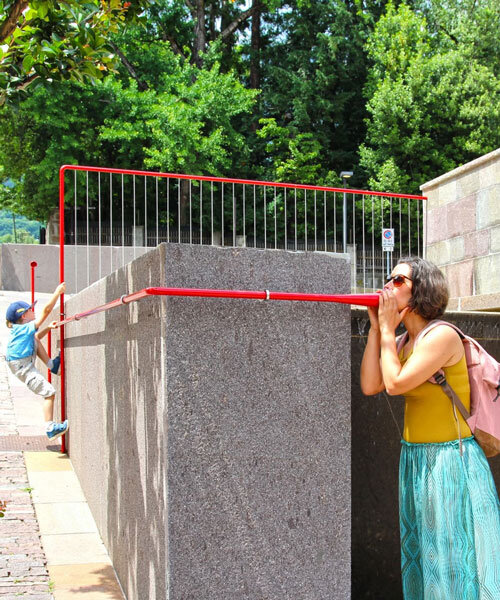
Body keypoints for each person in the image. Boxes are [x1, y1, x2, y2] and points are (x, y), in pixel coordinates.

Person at [360, 256, 500, 599]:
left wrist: (389, 330)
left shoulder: (442, 337)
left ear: (420, 290)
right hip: (417, 461)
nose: (388, 285)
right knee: (427, 558)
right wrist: (379, 330)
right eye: (389, 278)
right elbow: (370, 384)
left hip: (451, 463)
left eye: (398, 281)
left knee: (456, 560)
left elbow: (395, 384)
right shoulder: (406, 342)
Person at [5, 282, 68, 440]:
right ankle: (50, 428)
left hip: (21, 363)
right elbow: (47, 310)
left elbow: (37, 339)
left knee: (34, 338)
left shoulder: (22, 331)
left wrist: (48, 328)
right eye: (30, 310)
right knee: (49, 392)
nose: (34, 311)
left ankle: (53, 366)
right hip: (23, 367)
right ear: (23, 316)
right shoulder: (23, 328)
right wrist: (57, 292)